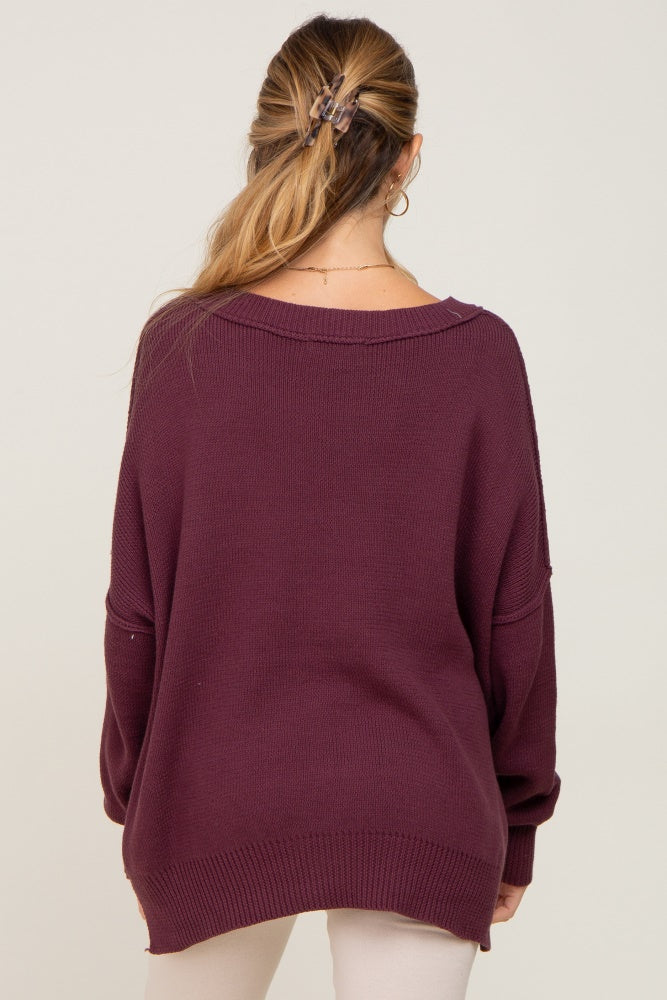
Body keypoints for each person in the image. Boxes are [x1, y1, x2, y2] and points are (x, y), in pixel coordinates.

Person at [99, 13, 561, 1000]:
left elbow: (137, 611)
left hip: (211, 799)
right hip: (422, 799)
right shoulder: (479, 357)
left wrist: (140, 806)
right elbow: (514, 619)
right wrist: (516, 819)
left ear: (268, 142)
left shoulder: (181, 344)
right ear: (408, 156)